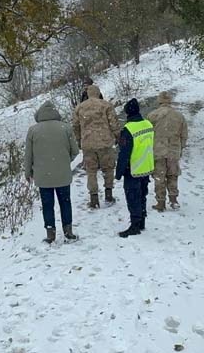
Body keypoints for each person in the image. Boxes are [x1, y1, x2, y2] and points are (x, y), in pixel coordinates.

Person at [24, 101, 80, 243]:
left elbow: (28, 155)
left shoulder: (33, 130)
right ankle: (68, 231)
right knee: (65, 202)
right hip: (62, 174)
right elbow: (75, 151)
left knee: (47, 204)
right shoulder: (65, 128)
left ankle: (50, 234)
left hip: (43, 176)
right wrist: (65, 161)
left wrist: (28, 171)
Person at [73, 84, 121, 208]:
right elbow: (113, 123)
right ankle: (108, 194)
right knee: (108, 169)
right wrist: (118, 136)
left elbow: (75, 126)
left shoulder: (80, 108)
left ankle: (94, 198)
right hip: (105, 142)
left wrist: (79, 140)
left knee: (91, 171)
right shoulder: (106, 105)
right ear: (98, 93)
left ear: (88, 94)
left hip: (88, 144)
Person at [116, 98, 154, 238]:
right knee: (142, 195)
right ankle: (142, 221)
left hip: (133, 168)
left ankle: (135, 225)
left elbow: (124, 153)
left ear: (127, 113)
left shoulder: (128, 129)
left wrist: (118, 172)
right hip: (146, 166)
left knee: (132, 197)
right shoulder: (148, 124)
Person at [147, 90, 189, 211]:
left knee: (159, 176)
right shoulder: (179, 116)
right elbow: (184, 135)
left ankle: (160, 202)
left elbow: (148, 135)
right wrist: (181, 148)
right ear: (170, 101)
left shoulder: (152, 115)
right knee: (173, 175)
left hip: (158, 150)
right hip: (173, 151)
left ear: (159, 100)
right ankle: (173, 199)